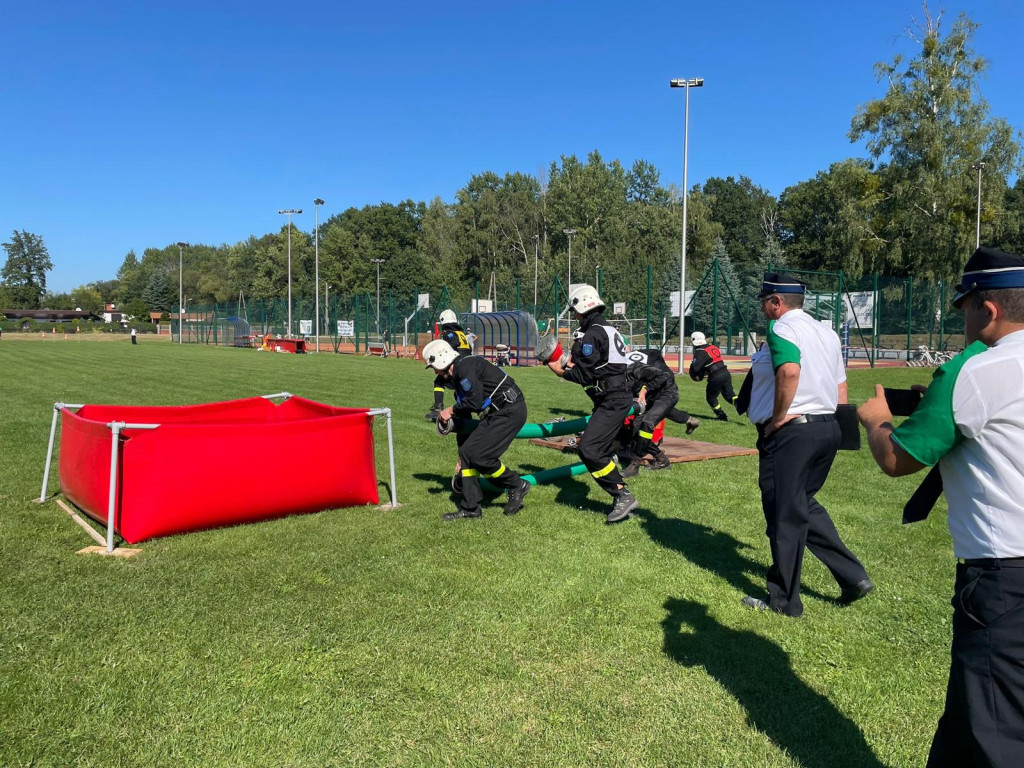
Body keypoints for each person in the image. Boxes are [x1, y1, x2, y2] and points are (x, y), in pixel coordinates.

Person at [858, 246, 1024, 767]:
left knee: (995, 731)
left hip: (1005, 579)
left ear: (987, 308)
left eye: (965, 308)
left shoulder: (970, 372)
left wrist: (875, 419)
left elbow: (897, 460)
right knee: (970, 720)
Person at [743, 272, 872, 617]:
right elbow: (841, 386)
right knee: (802, 505)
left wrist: (777, 418)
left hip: (792, 433)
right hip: (826, 427)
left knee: (784, 514)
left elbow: (788, 372)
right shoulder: (826, 333)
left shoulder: (781, 328)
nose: (764, 310)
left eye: (765, 302)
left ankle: (784, 601)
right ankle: (853, 576)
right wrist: (840, 433)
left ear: (777, 302)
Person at [540, 284, 638, 523]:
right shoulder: (608, 329)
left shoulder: (592, 333)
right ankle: (614, 462)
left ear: (582, 306)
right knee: (598, 447)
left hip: (612, 399)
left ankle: (621, 494)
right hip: (615, 395)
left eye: (574, 311)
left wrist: (559, 372)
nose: (574, 315)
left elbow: (585, 375)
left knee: (589, 449)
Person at [424, 338, 531, 521]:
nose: (435, 372)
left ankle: (516, 484)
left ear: (442, 361)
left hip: (510, 411)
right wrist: (461, 456)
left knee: (481, 457)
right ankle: (471, 508)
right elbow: (465, 413)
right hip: (498, 413)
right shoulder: (460, 375)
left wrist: (449, 410)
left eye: (434, 367)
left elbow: (473, 403)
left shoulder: (465, 369)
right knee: (467, 452)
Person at [620, 347, 701, 477]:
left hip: (667, 393)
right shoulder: (618, 369)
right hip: (651, 396)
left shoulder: (632, 367)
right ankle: (662, 459)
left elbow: (664, 375)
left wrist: (645, 389)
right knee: (635, 430)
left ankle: (634, 464)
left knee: (647, 423)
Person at [425, 309, 472, 420]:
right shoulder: (462, 334)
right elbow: (469, 349)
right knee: (463, 390)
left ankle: (438, 409)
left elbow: (448, 349)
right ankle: (472, 413)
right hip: (467, 365)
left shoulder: (449, 334)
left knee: (439, 381)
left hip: (457, 366)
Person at [688, 331, 736, 421]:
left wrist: (694, 370)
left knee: (711, 398)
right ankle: (746, 406)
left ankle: (721, 415)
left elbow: (696, 368)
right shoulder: (713, 347)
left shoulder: (700, 352)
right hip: (725, 372)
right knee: (730, 396)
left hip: (715, 376)